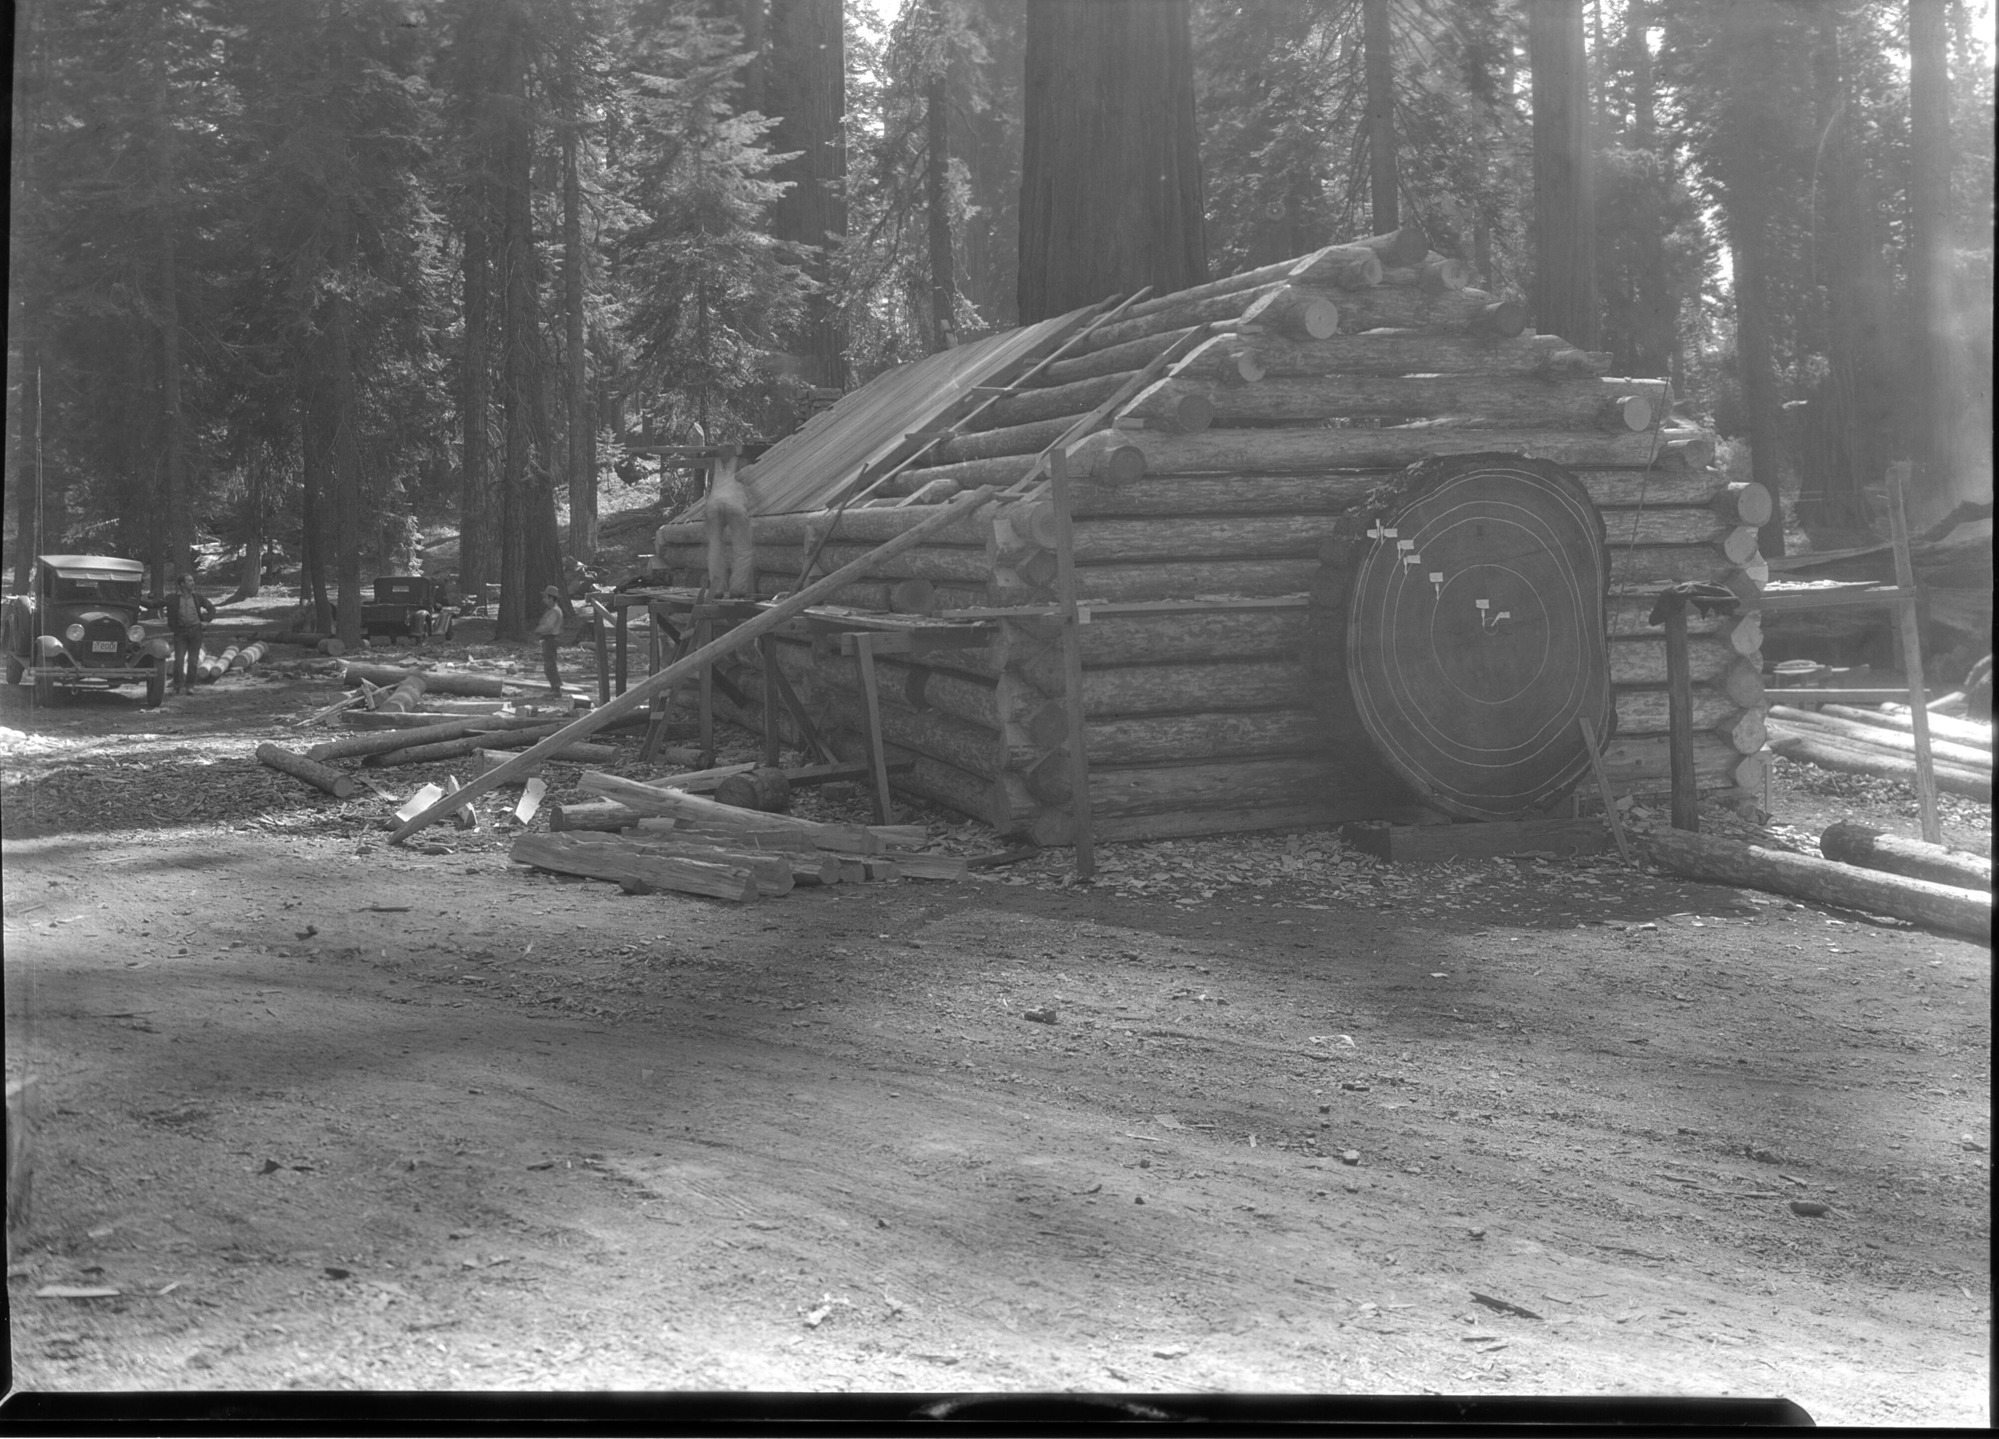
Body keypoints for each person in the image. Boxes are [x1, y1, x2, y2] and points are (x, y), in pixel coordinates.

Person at [162, 573, 215, 696]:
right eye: (189, 581)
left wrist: (206, 621)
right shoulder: (173, 598)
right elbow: (155, 604)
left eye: (192, 580)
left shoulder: (198, 597)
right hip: (180, 632)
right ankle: (177, 685)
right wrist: (140, 600)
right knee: (179, 660)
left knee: (193, 660)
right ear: (182, 584)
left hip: (196, 631)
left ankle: (190, 686)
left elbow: (211, 608)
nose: (193, 583)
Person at [535, 584, 567, 697]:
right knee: (549, 664)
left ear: (551, 598)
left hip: (550, 639)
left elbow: (548, 626)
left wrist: (538, 629)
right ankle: (554, 687)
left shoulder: (554, 611)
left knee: (550, 664)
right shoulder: (552, 610)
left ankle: (556, 688)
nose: (543, 600)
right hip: (549, 638)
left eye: (545, 597)